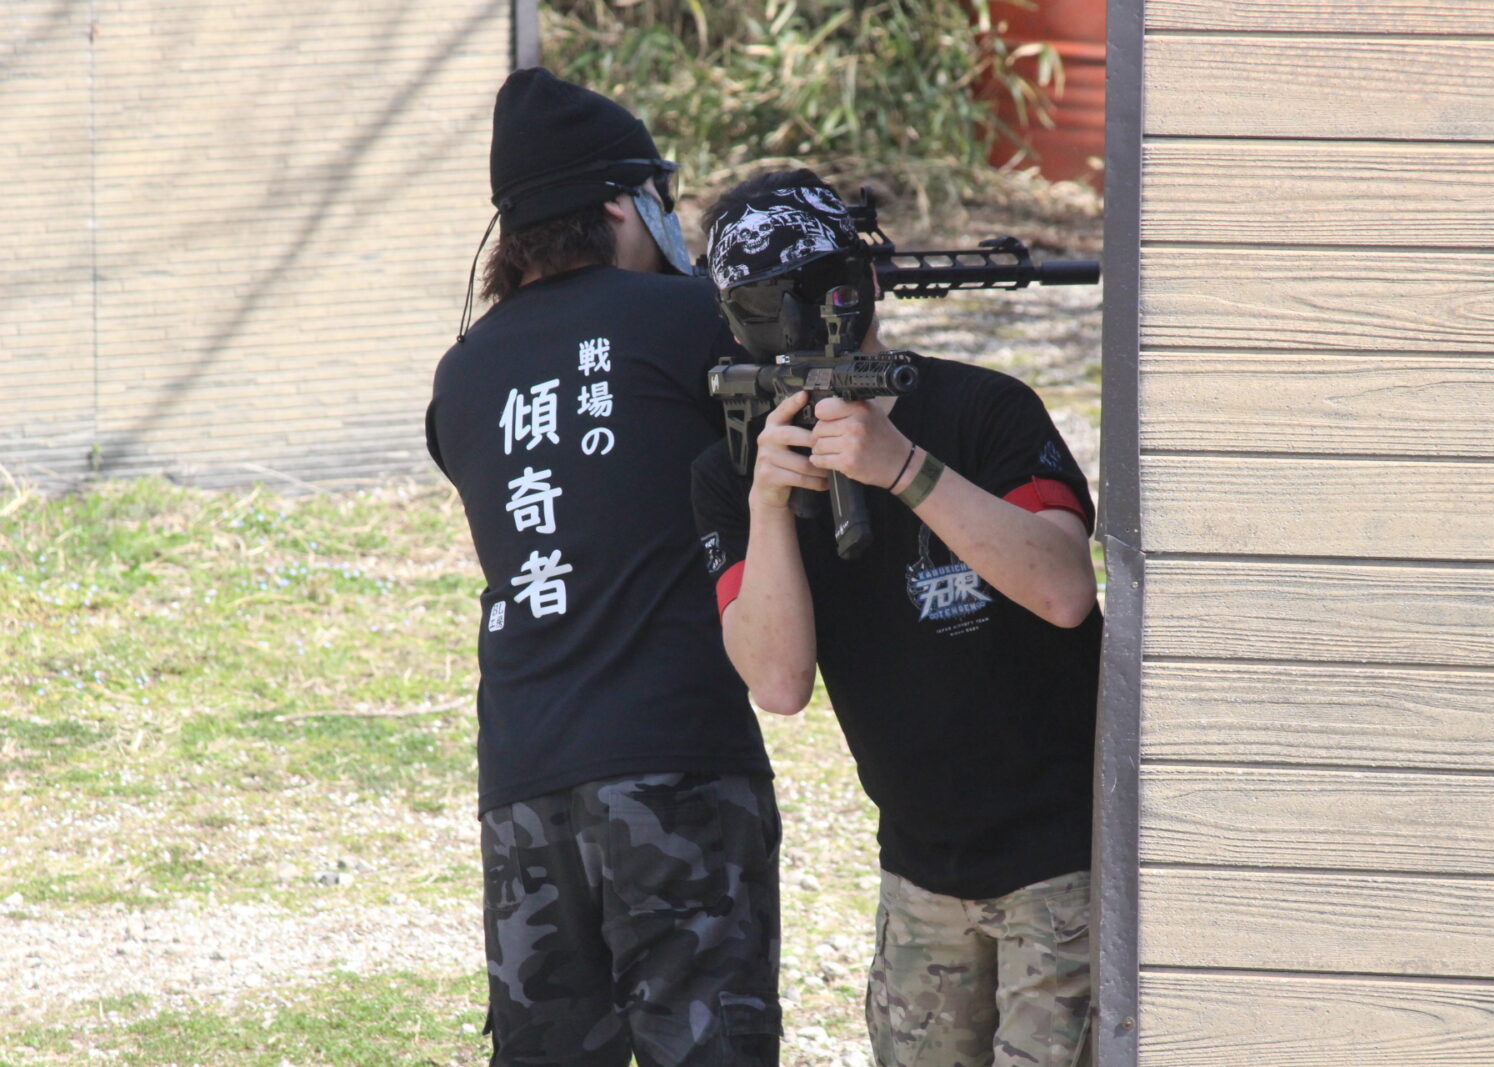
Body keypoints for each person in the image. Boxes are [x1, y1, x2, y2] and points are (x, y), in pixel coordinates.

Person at [690, 169, 1101, 1067]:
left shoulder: (983, 409)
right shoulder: (733, 472)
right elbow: (777, 682)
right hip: (919, 874)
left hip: (1064, 862)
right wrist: (768, 505)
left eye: (814, 291)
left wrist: (904, 469)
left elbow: (1064, 589)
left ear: (863, 284)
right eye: (764, 306)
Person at [424, 69, 781, 1067]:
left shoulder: (461, 373)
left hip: (523, 778)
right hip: (677, 762)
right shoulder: (688, 323)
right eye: (665, 198)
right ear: (624, 204)